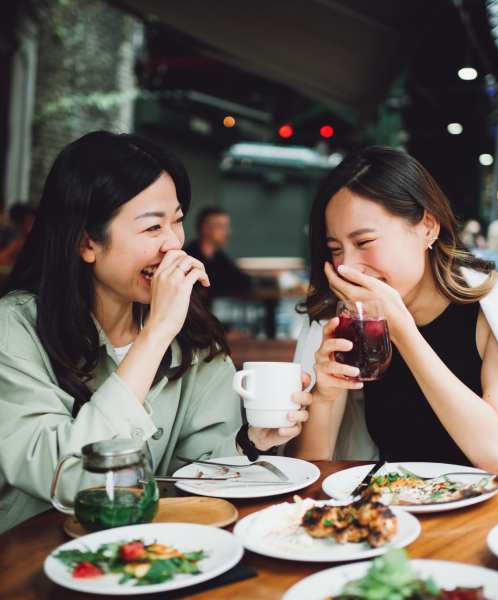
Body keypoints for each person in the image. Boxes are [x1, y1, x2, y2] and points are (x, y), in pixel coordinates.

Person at [0, 131, 310, 533]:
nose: (174, 245)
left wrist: (250, 441)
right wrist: (155, 336)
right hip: (36, 564)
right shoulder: (15, 328)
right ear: (86, 242)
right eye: (152, 228)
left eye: (177, 222)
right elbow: (72, 480)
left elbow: (196, 477)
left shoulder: (194, 337)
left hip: (156, 558)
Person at [289, 146, 498, 471]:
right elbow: (306, 472)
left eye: (364, 243)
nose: (349, 267)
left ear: (427, 226)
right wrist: (324, 397)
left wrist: (404, 332)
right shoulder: (341, 321)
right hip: (388, 513)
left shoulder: (489, 307)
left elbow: (496, 455)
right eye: (335, 249)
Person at [185, 206, 252, 302]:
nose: (227, 232)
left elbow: (243, 282)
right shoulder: (188, 257)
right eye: (221, 227)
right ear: (205, 229)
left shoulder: (219, 257)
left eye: (227, 227)